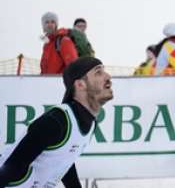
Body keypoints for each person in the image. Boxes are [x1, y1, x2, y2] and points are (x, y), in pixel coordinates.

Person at [0, 57, 113, 187]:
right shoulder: (56, 120)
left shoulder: (89, 123)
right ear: (80, 84)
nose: (108, 76)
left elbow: (64, 160)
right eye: (98, 72)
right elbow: (12, 166)